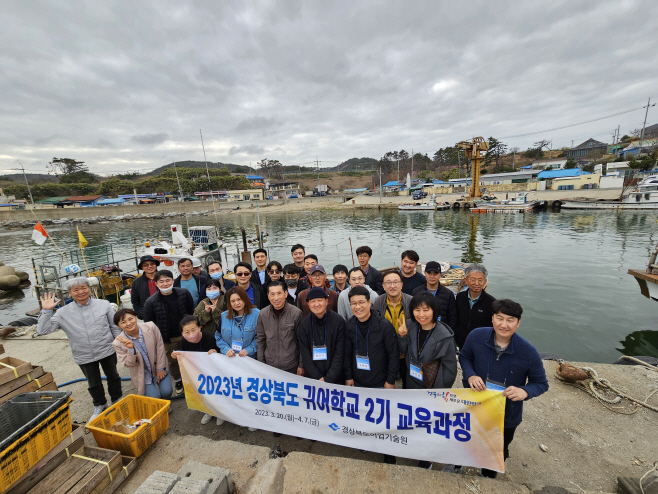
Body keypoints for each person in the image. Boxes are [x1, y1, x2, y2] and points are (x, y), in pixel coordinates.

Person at [459, 299, 549, 478]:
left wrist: (525, 391)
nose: (504, 325)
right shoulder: (476, 336)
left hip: (506, 414)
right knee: (468, 438)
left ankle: (488, 475)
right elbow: (465, 357)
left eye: (510, 320)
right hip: (475, 404)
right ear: (492, 318)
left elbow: (541, 383)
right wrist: (470, 375)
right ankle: (460, 463)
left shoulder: (528, 352)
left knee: (497, 447)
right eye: (499, 318)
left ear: (518, 323)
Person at [37, 278, 122, 420]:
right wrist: (46, 311)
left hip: (106, 349)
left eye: (83, 288)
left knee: (113, 375)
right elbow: (43, 330)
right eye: (75, 290)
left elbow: (114, 326)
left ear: (89, 288)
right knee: (93, 382)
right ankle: (99, 404)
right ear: (70, 293)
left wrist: (119, 344)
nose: (81, 292)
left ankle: (117, 398)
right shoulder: (63, 312)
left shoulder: (103, 304)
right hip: (83, 353)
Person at [397, 292, 457, 469]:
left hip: (431, 387)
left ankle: (427, 459)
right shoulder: (410, 325)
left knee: (429, 424)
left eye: (426, 310)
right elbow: (403, 351)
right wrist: (401, 336)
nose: (421, 314)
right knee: (413, 419)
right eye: (417, 310)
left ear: (434, 311)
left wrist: (436, 394)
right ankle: (414, 447)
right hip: (411, 382)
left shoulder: (444, 336)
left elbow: (449, 369)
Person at [343, 286, 399, 465]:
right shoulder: (350, 325)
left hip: (380, 380)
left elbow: (393, 355)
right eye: (354, 304)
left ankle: (388, 450)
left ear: (369, 302)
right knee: (363, 414)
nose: (358, 307)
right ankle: (366, 440)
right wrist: (349, 376)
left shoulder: (384, 325)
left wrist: (390, 381)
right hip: (359, 380)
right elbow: (348, 353)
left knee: (384, 418)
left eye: (361, 302)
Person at [143, 270, 194, 395]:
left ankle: (192, 380)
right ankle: (178, 380)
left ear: (173, 280)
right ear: (156, 283)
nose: (165, 284)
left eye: (167, 280)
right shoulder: (150, 302)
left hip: (186, 335)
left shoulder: (183, 293)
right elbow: (149, 323)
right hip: (167, 338)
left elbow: (191, 310)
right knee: (172, 362)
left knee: (191, 358)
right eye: (161, 281)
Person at [171, 315, 221, 425]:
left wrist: (216, 352)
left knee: (217, 392)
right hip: (199, 374)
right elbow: (182, 354)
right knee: (204, 393)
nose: (191, 334)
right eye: (187, 332)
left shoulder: (211, 337)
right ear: (182, 333)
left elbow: (222, 354)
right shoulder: (184, 342)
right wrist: (176, 355)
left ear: (200, 327)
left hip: (214, 373)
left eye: (193, 330)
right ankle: (209, 411)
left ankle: (220, 413)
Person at [112, 308, 172, 399]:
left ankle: (166, 404)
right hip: (142, 374)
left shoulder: (151, 326)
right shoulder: (117, 343)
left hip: (159, 366)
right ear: (118, 325)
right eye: (123, 322)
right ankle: (159, 407)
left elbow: (160, 347)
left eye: (130, 319)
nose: (128, 323)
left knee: (167, 392)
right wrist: (131, 350)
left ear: (136, 317)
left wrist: (160, 368)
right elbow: (128, 364)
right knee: (154, 397)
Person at [372, 271, 412, 388]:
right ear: (383, 286)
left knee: (408, 384)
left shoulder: (411, 301)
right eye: (388, 283)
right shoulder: (379, 301)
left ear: (401, 284)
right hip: (386, 352)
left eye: (396, 282)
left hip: (406, 351)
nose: (392, 286)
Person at [297, 287, 345, 383]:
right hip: (314, 379)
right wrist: (318, 378)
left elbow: (340, 353)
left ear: (326, 301)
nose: (316, 304)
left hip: (336, 378)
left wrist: (329, 378)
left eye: (320, 300)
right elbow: (305, 355)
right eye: (313, 301)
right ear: (308, 304)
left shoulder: (339, 321)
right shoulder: (304, 324)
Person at [256, 280, 304, 375]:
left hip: (291, 366)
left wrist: (301, 365)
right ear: (268, 296)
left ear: (285, 294)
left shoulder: (296, 313)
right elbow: (260, 340)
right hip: (269, 365)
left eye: (279, 293)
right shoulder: (263, 314)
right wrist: (260, 364)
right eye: (272, 294)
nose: (276, 298)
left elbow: (302, 341)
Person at [455, 264, 495, 349]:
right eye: (472, 280)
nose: (476, 283)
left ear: (485, 282)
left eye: (480, 280)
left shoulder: (492, 303)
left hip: (481, 345)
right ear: (466, 280)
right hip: (461, 342)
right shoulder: (460, 297)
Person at [412, 261, 458, 330]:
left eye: (435, 273)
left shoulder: (448, 294)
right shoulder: (416, 292)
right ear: (425, 274)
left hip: (441, 331)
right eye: (429, 273)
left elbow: (453, 318)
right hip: (421, 329)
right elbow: (412, 314)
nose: (432, 276)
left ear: (440, 275)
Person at [131, 255, 160, 320]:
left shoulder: (164, 277)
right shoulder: (137, 282)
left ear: (155, 265)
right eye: (146, 265)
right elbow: (135, 301)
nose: (149, 266)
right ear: (142, 267)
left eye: (152, 263)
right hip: (148, 314)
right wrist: (140, 314)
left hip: (164, 312)